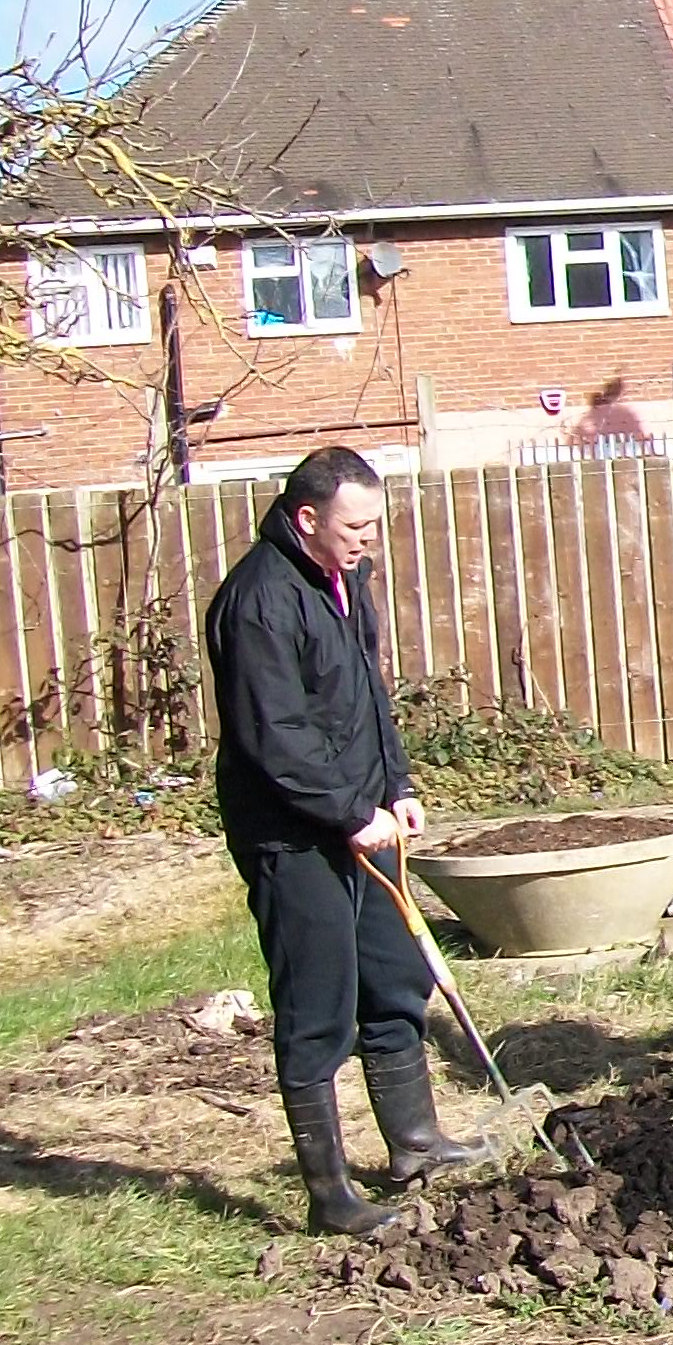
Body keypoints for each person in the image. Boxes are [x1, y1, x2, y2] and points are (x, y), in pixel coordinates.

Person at [203, 446, 482, 1239]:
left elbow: (366, 700)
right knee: (318, 1006)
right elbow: (275, 735)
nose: (368, 540)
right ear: (307, 520)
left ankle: (416, 1144)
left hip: (368, 818)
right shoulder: (260, 600)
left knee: (395, 979)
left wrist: (396, 787)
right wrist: (346, 813)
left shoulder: (344, 582)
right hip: (294, 839)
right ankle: (330, 1196)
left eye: (373, 524)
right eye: (354, 526)